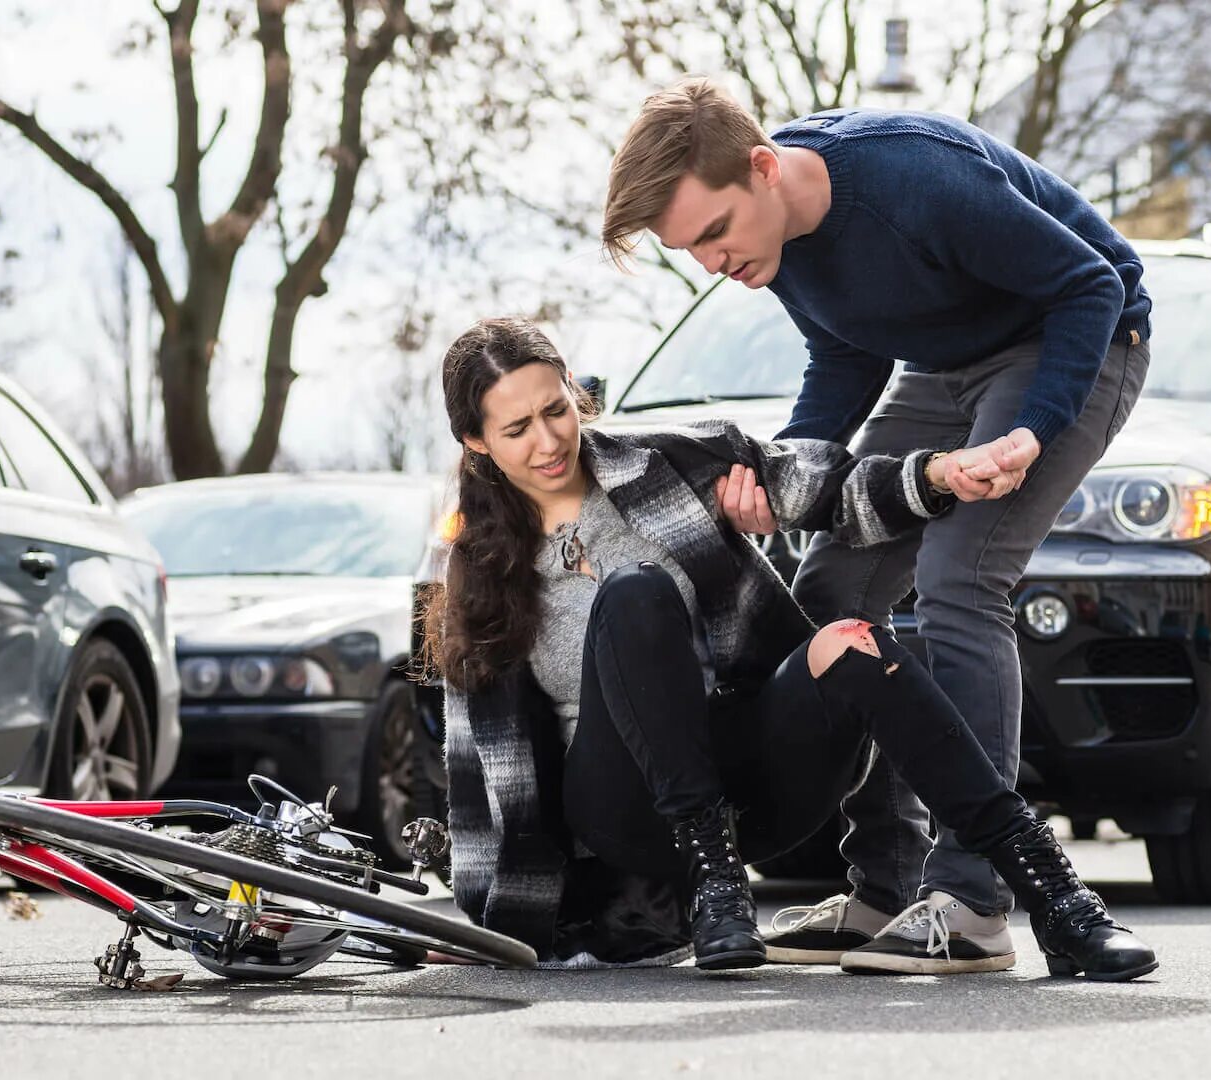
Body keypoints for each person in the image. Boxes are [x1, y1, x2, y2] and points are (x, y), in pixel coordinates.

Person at [601, 78, 1152, 973]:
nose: (711, 262)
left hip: (1074, 342)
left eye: (714, 232)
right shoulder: (775, 241)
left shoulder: (914, 178)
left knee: (960, 577)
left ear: (764, 168)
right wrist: (786, 474)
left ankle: (973, 898)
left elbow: (1088, 285)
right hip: (941, 372)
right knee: (830, 593)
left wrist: (1032, 429)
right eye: (689, 249)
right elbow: (845, 350)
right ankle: (887, 889)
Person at [426, 315, 1156, 980]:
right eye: (517, 428)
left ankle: (1057, 897)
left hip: (753, 778)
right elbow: (478, 765)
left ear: (576, 398)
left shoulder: (670, 463)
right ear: (476, 441)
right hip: (626, 816)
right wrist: (493, 922)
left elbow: (824, 488)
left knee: (851, 641)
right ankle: (716, 885)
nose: (548, 441)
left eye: (556, 411)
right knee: (637, 593)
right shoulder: (473, 566)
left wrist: (936, 475)